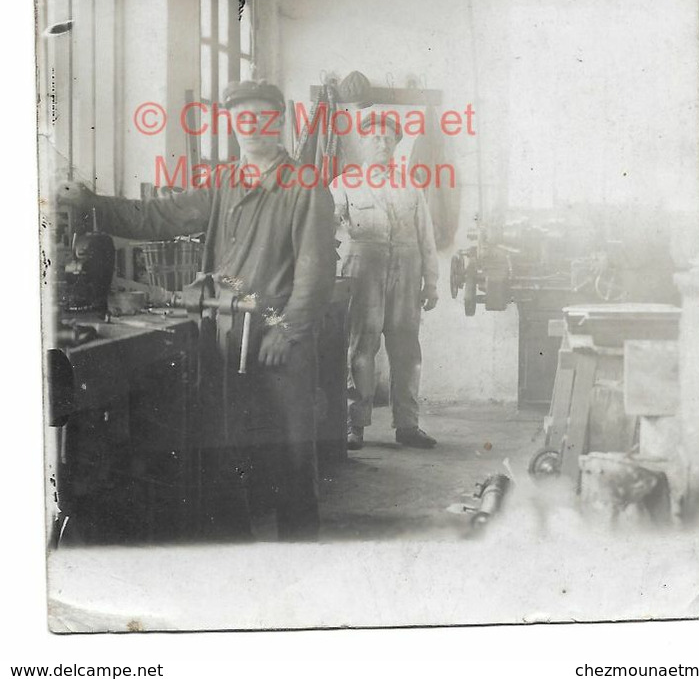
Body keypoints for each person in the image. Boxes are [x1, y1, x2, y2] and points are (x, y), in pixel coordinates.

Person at [58, 80, 336, 541]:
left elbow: (316, 273)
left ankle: (300, 566)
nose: (251, 126)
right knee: (229, 454)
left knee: (289, 460)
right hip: (226, 341)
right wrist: (93, 206)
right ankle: (238, 567)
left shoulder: (305, 186)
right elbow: (160, 216)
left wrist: (286, 331)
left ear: (280, 121)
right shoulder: (226, 180)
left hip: (277, 344)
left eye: (262, 117)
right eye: (241, 118)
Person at [333, 116, 439, 451]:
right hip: (363, 273)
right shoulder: (344, 184)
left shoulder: (411, 186)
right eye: (374, 137)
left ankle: (407, 425)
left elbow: (427, 238)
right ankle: (355, 425)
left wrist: (432, 283)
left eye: (388, 138)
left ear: (396, 144)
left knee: (407, 350)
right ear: (362, 143)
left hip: (407, 274)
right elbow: (327, 228)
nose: (381, 143)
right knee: (361, 350)